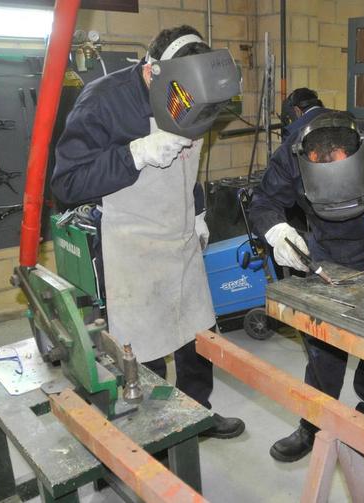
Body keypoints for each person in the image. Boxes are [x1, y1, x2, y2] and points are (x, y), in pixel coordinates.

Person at [51, 25, 245, 438]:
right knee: (145, 352)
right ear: (154, 73)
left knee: (196, 337)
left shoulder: (197, 90)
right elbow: (66, 184)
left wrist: (198, 211)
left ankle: (197, 414)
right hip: (134, 248)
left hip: (182, 238)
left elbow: (187, 167)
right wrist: (134, 154)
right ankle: (159, 432)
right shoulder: (104, 101)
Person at [250, 109, 364, 462]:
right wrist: (277, 231)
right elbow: (264, 202)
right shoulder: (292, 154)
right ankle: (313, 423)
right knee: (322, 344)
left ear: (362, 158)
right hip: (325, 250)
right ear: (307, 160)